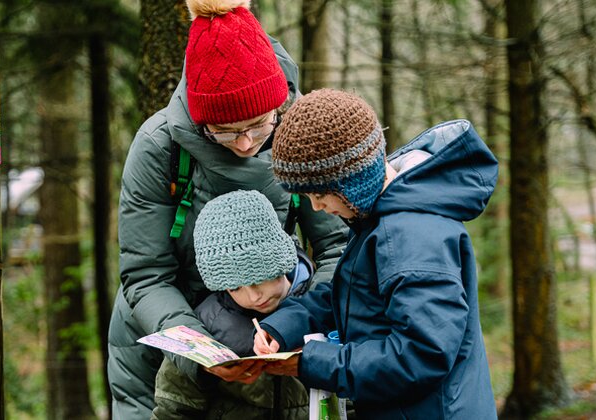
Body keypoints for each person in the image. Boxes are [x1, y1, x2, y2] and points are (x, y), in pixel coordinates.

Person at [106, 1, 349, 418]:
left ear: (279, 108)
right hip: (165, 335)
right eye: (225, 131)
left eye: (258, 126)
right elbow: (146, 275)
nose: (244, 143)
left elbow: (337, 246)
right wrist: (200, 351)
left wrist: (290, 319)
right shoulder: (158, 147)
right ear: (201, 121)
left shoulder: (301, 131)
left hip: (272, 323)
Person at [253, 89, 499, 418]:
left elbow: (420, 355)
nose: (317, 207)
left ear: (353, 181)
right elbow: (351, 293)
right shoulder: (379, 218)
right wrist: (282, 327)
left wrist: (314, 361)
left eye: (321, 194)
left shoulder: (410, 238)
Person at [151, 190, 313, 419]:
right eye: (235, 287)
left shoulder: (322, 307)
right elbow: (173, 408)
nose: (253, 296)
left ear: (279, 260)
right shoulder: (207, 326)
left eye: (257, 279)